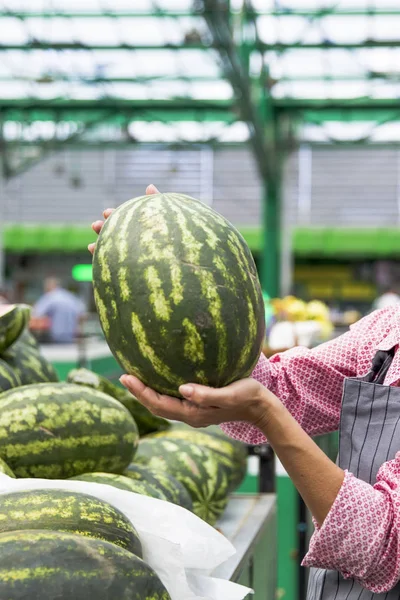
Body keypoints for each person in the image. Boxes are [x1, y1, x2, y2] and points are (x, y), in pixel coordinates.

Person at [90, 185, 400, 598]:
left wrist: (265, 413)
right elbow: (286, 388)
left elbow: (383, 544)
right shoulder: (387, 331)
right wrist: (186, 279)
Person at [33, 277, 86, 344]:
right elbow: (82, 315)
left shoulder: (50, 296)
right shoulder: (70, 296)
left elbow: (36, 314)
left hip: (55, 337)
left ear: (50, 286)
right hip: (71, 337)